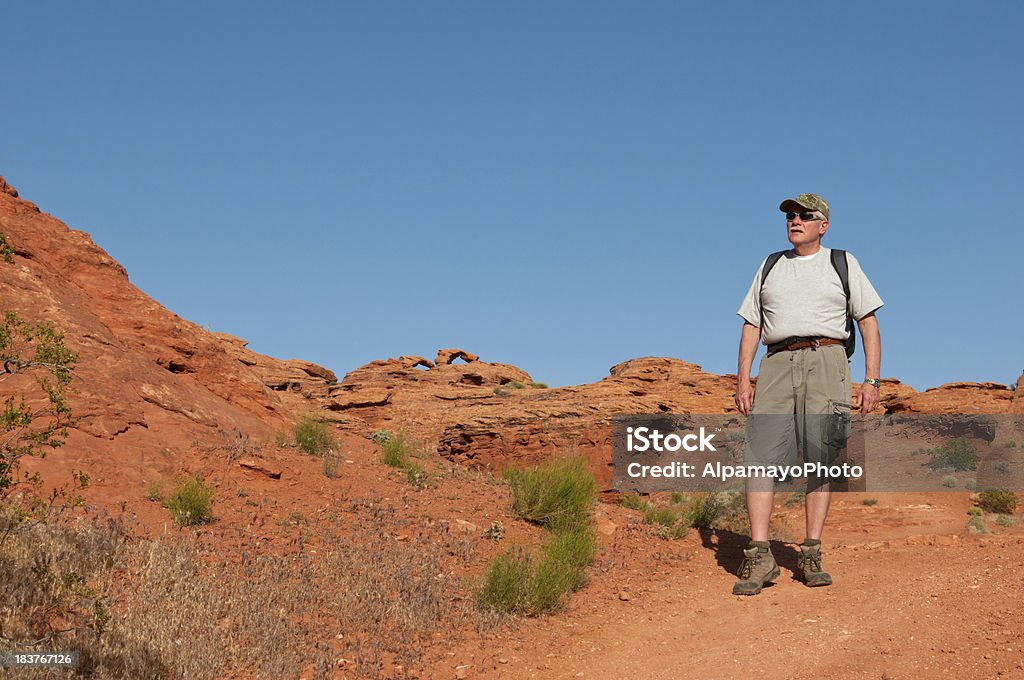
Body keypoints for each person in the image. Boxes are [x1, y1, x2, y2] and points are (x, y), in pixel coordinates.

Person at [731, 193, 883, 596]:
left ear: (823, 225)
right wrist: (743, 378)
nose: (794, 220)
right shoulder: (770, 265)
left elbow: (867, 322)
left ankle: (811, 551)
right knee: (759, 456)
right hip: (777, 362)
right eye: (790, 216)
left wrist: (872, 380)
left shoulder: (843, 263)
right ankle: (760, 554)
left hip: (828, 359)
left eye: (804, 216)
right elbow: (751, 324)